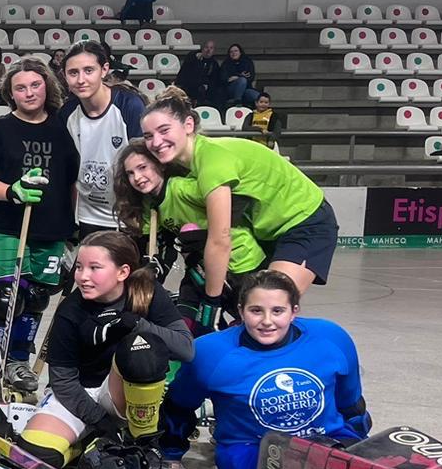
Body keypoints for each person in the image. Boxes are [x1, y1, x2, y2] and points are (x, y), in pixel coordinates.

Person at [160, 270, 370, 469]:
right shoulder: (210, 352)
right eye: (256, 311)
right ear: (241, 311)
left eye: (278, 311)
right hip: (252, 450)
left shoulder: (332, 338)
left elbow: (351, 403)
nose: (267, 321)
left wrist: (363, 451)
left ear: (294, 312)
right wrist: (171, 456)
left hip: (328, 440)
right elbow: (178, 406)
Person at [140, 86, 337, 310]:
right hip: (267, 231)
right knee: (254, 311)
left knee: (269, 305)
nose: (156, 142)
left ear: (188, 125)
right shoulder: (190, 164)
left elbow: (220, 240)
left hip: (305, 223)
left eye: (164, 130)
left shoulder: (212, 161)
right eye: (148, 136)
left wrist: (211, 300)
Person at [18, 231, 194, 469]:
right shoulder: (70, 310)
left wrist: (136, 325)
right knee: (35, 455)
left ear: (123, 272)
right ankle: (89, 445)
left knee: (141, 348)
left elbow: (186, 349)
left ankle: (143, 443)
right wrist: (101, 422)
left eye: (94, 268)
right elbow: (63, 382)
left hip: (124, 393)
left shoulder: (147, 292)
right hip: (80, 394)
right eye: (79, 267)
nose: (83, 277)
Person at [0, 59, 79, 388]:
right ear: (11, 93)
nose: (29, 92)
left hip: (52, 228)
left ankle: (17, 362)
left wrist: (75, 230)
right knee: (7, 297)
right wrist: (13, 192)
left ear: (47, 86)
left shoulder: (65, 128)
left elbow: (72, 181)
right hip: (6, 224)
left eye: (35, 85)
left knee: (35, 299)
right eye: (21, 87)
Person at [114, 140, 267, 333]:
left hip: (241, 264)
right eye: (130, 173)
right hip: (200, 269)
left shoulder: (183, 188)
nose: (137, 177)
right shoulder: (148, 205)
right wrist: (152, 270)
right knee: (187, 325)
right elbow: (160, 247)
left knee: (251, 328)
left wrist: (209, 234)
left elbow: (237, 200)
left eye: (142, 167)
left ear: (160, 164)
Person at [61, 40, 144, 236]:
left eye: (89, 70)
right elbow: (68, 172)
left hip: (127, 216)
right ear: (65, 76)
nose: (81, 79)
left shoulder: (129, 105)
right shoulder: (66, 113)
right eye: (73, 73)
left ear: (104, 69)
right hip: (87, 216)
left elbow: (144, 162)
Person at [172, 39, 220, 108]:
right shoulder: (192, 57)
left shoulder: (214, 64)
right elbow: (185, 74)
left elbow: (214, 80)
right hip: (188, 85)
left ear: (214, 51)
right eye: (206, 47)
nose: (208, 50)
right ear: (202, 49)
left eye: (211, 48)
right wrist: (197, 60)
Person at [220, 43, 257, 109]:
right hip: (230, 90)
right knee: (242, 80)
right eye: (231, 52)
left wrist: (236, 77)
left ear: (240, 52)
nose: (233, 53)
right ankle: (237, 101)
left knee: (258, 97)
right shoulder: (226, 64)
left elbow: (250, 77)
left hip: (246, 89)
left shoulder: (247, 62)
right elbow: (224, 79)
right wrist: (240, 76)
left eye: (236, 51)